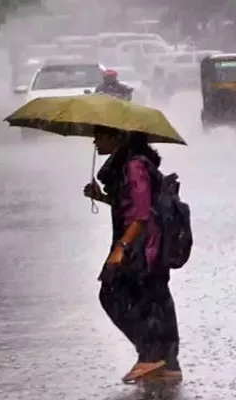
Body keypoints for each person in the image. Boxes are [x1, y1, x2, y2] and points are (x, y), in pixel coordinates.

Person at [83, 128, 182, 384]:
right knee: (153, 300)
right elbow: (130, 204)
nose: (95, 140)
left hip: (143, 245)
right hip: (146, 243)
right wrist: (102, 197)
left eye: (100, 135)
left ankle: (151, 355)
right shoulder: (129, 164)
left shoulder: (134, 166)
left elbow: (141, 214)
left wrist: (122, 247)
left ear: (118, 138)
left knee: (112, 293)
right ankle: (167, 364)